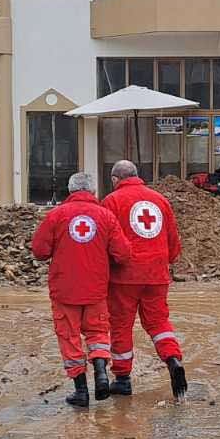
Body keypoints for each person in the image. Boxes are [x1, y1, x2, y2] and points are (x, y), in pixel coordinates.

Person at [30, 171, 130, 408]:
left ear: (70, 191)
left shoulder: (56, 216)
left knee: (69, 336)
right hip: (96, 288)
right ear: (93, 192)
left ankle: (81, 391)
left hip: (65, 289)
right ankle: (101, 373)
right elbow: (123, 253)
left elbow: (39, 251)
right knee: (97, 333)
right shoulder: (106, 216)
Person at [102, 159, 188, 400]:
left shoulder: (112, 201)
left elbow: (106, 241)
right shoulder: (160, 200)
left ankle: (122, 379)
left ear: (115, 179)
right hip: (156, 275)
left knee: (121, 325)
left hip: (124, 277)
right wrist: (164, 261)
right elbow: (173, 243)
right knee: (159, 323)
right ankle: (172, 359)